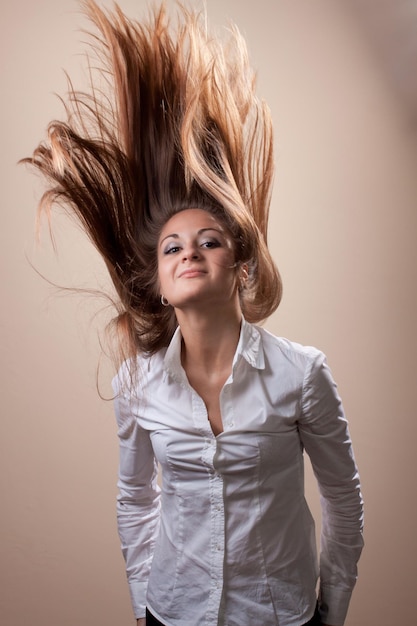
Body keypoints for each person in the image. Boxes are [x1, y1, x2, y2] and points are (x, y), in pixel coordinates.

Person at [22, 1, 364, 625]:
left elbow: (344, 499)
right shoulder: (138, 383)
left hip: (280, 615)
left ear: (242, 264)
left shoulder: (302, 375)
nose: (190, 252)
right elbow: (134, 500)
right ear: (157, 282)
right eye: (172, 247)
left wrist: (332, 612)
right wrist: (142, 607)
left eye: (210, 240)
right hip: (172, 614)